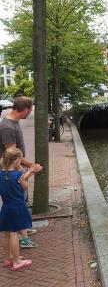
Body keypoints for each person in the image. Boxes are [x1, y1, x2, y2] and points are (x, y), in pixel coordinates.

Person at [0, 96, 43, 249]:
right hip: (12, 171)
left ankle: (22, 228)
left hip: (16, 169)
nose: (30, 112)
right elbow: (11, 154)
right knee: (18, 202)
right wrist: (31, 166)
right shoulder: (8, 127)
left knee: (21, 202)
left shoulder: (14, 123)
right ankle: (20, 236)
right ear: (24, 109)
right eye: (30, 109)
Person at [0, 148, 41, 271]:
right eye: (20, 160)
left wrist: (29, 172)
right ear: (17, 161)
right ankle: (17, 261)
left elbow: (19, 179)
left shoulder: (1, 174)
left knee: (6, 234)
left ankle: (8, 258)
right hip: (17, 207)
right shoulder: (18, 175)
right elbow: (23, 186)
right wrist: (31, 171)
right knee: (14, 234)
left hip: (6, 206)